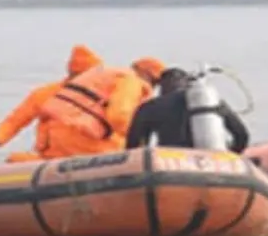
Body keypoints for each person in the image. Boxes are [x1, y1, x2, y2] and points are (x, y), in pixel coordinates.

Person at [0, 44, 103, 161]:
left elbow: (121, 121)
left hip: (97, 159)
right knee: (14, 160)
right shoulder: (44, 95)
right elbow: (14, 122)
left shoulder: (109, 95)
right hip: (52, 160)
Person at [23, 55, 165, 159]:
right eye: (156, 83)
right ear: (148, 76)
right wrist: (138, 144)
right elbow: (119, 116)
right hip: (86, 145)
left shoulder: (106, 76)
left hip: (55, 144)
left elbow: (17, 118)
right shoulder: (132, 82)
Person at [124, 67, 250, 152]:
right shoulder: (209, 100)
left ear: (161, 86)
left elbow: (134, 146)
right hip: (210, 164)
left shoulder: (150, 107)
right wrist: (229, 156)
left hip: (169, 169)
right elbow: (241, 135)